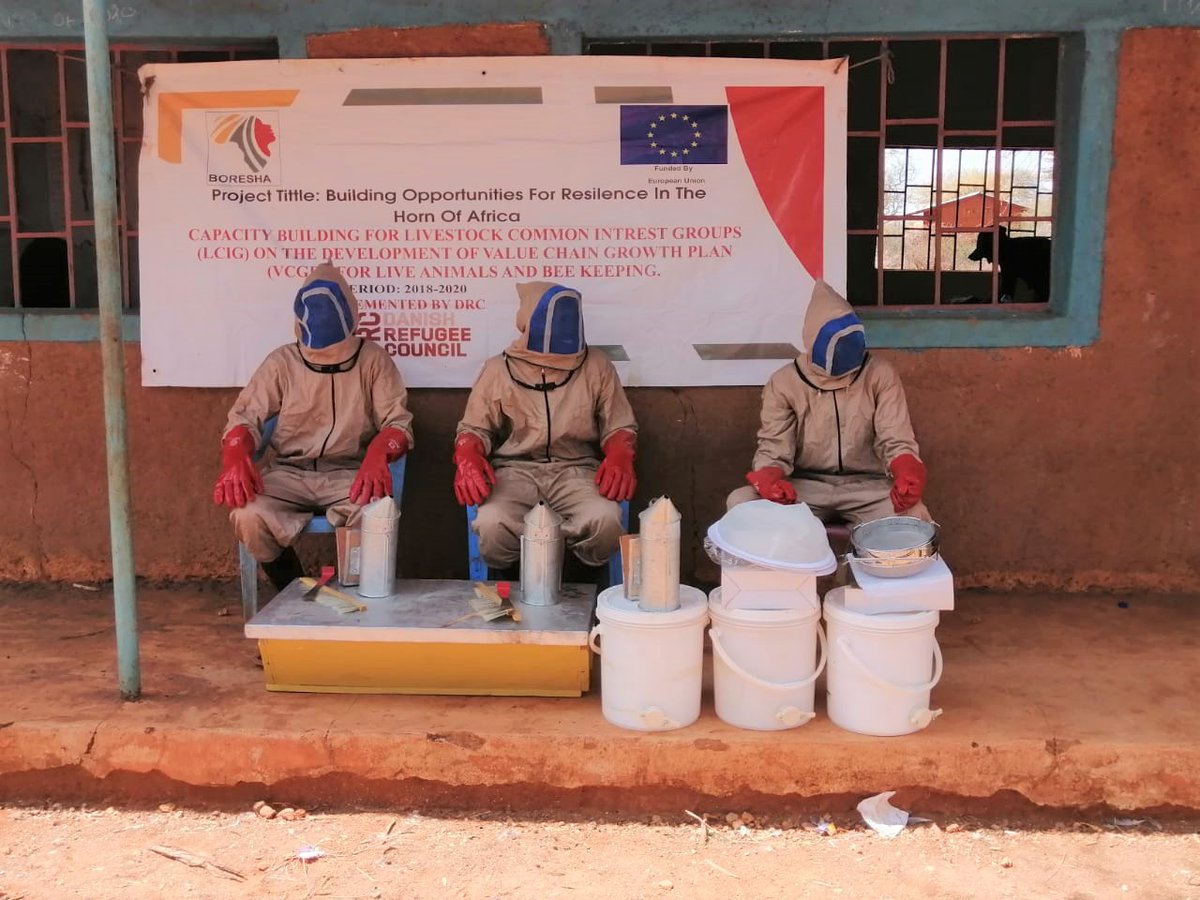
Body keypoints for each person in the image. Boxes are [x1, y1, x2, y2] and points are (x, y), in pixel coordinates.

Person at [212, 262, 414, 591]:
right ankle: (292, 589)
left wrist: (379, 452)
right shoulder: (282, 363)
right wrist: (235, 455)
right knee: (247, 513)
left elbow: (398, 424)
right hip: (289, 473)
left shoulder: (373, 361)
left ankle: (358, 594)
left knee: (377, 511)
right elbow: (244, 419)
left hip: (350, 473)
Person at [452, 281, 637, 570]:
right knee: (492, 523)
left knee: (605, 519)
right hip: (514, 472)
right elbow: (474, 429)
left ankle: (578, 582)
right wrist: (468, 454)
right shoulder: (497, 369)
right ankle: (508, 589)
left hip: (576, 471)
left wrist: (620, 452)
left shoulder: (597, 365)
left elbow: (619, 425)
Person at [726, 280, 930, 524]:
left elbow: (896, 439)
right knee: (741, 502)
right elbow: (774, 447)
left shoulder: (880, 374)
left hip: (869, 487)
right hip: (804, 487)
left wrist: (906, 468)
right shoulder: (784, 382)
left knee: (914, 518)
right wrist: (770, 478)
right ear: (813, 341)